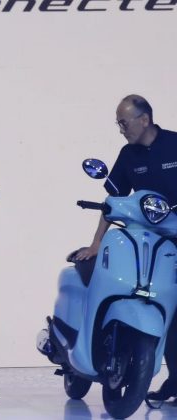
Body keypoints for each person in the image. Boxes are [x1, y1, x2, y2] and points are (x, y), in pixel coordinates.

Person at [74, 94, 177, 402]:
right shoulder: (128, 155)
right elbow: (112, 202)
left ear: (144, 119)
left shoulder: (174, 144)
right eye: (118, 123)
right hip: (144, 241)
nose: (121, 129)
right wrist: (96, 243)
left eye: (124, 122)